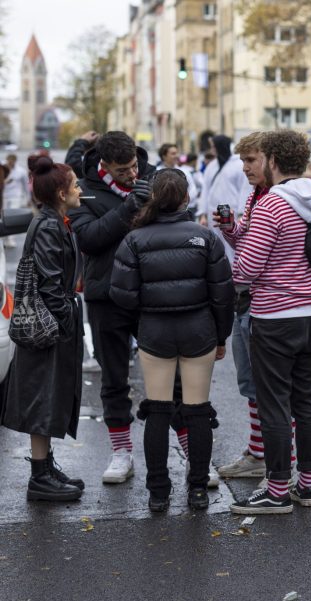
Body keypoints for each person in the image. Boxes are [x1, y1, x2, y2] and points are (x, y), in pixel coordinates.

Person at [225, 130, 311, 514]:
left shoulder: (272, 206)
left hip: (274, 317)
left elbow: (247, 268)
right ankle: (306, 487)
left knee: (274, 404)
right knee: (306, 401)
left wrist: (243, 265)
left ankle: (275, 490)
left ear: (273, 161)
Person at [110, 169, 234, 512]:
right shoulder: (205, 238)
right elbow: (223, 295)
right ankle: (196, 489)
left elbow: (122, 295)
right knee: (198, 411)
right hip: (198, 330)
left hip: (155, 331)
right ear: (186, 199)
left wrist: (143, 321)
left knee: (158, 410)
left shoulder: (134, 240)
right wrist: (220, 335)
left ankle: (158, 493)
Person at [69, 130, 155, 484]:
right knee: (114, 378)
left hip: (153, 293)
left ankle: (193, 453)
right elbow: (88, 239)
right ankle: (121, 452)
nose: (131, 175)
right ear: (104, 164)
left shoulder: (152, 178)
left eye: (133, 166)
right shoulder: (84, 190)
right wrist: (128, 208)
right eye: (122, 171)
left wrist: (157, 204)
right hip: (105, 295)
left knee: (172, 376)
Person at [1, 156, 85, 501]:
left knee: (47, 396)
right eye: (76, 184)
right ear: (62, 193)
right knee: (42, 398)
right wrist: (65, 322)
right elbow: (51, 285)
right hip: (48, 329)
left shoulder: (54, 220)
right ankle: (40, 476)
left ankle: (45, 466)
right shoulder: (50, 226)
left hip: (51, 325)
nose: (80, 189)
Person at [217, 132, 275, 481]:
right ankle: (258, 453)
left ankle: (277, 465)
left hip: (264, 303)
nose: (245, 167)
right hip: (246, 298)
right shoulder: (256, 194)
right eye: (242, 160)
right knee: (251, 384)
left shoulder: (277, 198)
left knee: (272, 388)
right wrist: (230, 229)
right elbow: (247, 241)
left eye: (251, 160)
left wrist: (226, 276)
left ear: (271, 160)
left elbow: (254, 262)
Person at [196, 135, 251, 258]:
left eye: (213, 146)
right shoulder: (212, 166)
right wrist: (202, 213)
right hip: (213, 212)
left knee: (232, 244)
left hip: (232, 212)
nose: (212, 150)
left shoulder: (238, 165)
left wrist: (243, 213)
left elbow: (245, 189)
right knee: (215, 243)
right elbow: (205, 190)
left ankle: (232, 270)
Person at [156, 143, 199, 215]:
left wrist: (182, 203)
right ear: (164, 156)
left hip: (183, 211)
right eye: (173, 154)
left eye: (177, 153)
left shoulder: (184, 171)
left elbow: (192, 189)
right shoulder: (156, 172)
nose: (177, 156)